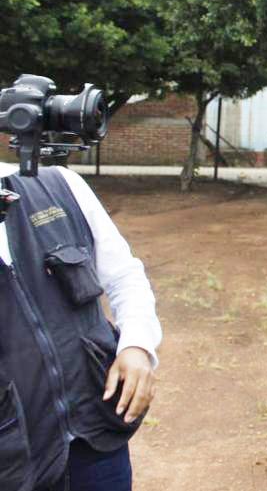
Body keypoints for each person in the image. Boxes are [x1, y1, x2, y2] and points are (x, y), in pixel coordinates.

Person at [0, 162, 161, 491]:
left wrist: (137, 346)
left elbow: (124, 276)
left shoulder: (59, 184)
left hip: (96, 438)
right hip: (14, 459)